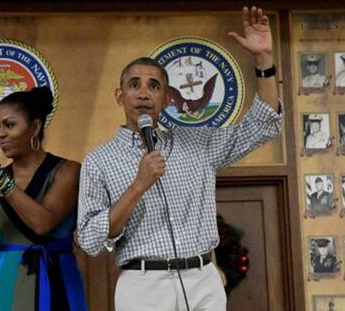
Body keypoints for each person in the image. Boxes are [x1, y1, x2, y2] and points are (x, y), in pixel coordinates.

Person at [77, 6, 282, 311]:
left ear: (167, 99)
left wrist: (264, 58)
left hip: (202, 280)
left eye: (154, 86)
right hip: (142, 284)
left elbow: (263, 124)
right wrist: (138, 186)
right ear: (120, 96)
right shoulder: (99, 160)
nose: (144, 93)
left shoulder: (197, 143)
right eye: (134, 85)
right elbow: (89, 239)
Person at [0, 87, 88, 311]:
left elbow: (42, 223)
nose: (0, 134)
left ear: (35, 128)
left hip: (56, 280)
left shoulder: (67, 171)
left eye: (9, 125)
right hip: (1, 285)